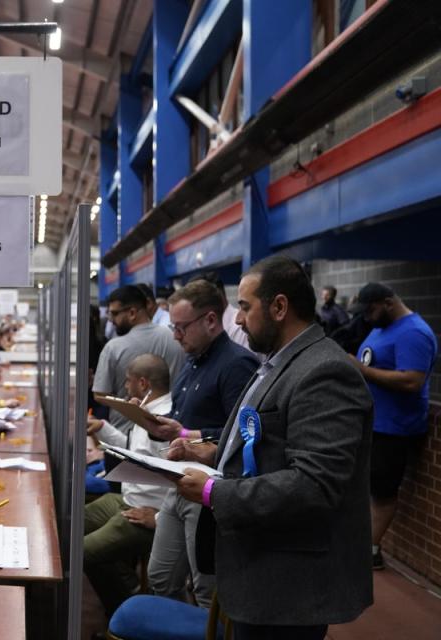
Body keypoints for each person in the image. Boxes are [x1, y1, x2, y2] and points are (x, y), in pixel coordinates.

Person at [167, 255, 373, 638]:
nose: (239, 319)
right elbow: (269, 443)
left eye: (244, 307)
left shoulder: (324, 372)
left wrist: (214, 491)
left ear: (279, 307)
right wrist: (215, 453)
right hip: (260, 568)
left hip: (289, 583)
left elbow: (315, 484)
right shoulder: (280, 363)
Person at [144, 279, 259, 608]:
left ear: (210, 320)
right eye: (173, 328)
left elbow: (241, 434)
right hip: (177, 480)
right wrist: (170, 429)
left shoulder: (237, 364)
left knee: (206, 588)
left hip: (208, 489)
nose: (176, 336)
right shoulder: (191, 359)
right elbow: (186, 419)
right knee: (161, 576)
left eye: (181, 328)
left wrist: (189, 436)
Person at [351, 282, 437, 570]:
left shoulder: (414, 332)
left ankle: (370, 551)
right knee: (368, 489)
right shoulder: (381, 328)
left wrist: (362, 371)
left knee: (383, 492)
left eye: (370, 309)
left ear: (388, 302)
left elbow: (412, 380)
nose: (366, 316)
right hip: (374, 424)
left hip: (395, 428)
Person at [84, 354, 173, 616]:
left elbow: (177, 478)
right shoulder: (145, 412)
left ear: (143, 383)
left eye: (128, 382)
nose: (125, 388)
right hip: (126, 498)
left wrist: (158, 517)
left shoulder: (165, 419)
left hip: (146, 511)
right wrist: (102, 427)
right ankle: (128, 588)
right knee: (67, 526)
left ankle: (128, 608)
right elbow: (133, 451)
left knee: (82, 552)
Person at [89, 285, 184, 444]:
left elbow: (99, 394)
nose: (111, 320)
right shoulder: (173, 337)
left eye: (115, 313)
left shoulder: (114, 347)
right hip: (170, 433)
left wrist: (130, 408)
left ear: (132, 312)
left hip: (124, 437)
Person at [193, 272, 249, 350]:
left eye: (198, 300)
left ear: (218, 294)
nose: (195, 307)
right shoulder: (205, 325)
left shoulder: (239, 327)